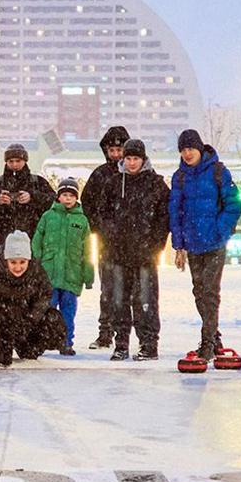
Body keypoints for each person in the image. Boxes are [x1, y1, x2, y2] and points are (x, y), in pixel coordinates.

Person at [169, 129, 241, 359]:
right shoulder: (179, 177)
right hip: (192, 244)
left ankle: (207, 342)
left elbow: (234, 204)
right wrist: (179, 244)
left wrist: (220, 230)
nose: (187, 153)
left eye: (190, 148)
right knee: (199, 292)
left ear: (200, 148)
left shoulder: (219, 172)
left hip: (214, 243)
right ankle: (215, 336)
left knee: (210, 292)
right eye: (183, 149)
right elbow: (175, 211)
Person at [98, 139, 170, 360]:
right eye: (128, 158)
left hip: (145, 254)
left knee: (146, 300)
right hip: (117, 253)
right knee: (119, 299)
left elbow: (163, 217)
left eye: (135, 158)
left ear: (143, 159)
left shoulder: (156, 184)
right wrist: (110, 237)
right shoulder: (113, 183)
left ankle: (149, 344)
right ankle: (121, 344)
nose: (131, 163)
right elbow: (103, 214)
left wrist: (155, 244)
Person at [0, 230, 66, 367]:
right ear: (6, 260)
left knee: (54, 319)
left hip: (25, 324)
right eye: (13, 262)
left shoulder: (37, 271)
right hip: (0, 326)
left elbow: (45, 294)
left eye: (22, 262)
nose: (18, 267)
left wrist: (32, 318)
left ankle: (28, 347)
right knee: (0, 359)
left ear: (29, 260)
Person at [31, 177, 94, 356]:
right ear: (58, 197)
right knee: (46, 310)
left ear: (76, 198)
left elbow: (88, 250)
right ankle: (42, 340)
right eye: (64, 195)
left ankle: (66, 342)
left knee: (68, 312)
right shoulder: (48, 217)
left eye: (71, 196)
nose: (67, 199)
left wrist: (88, 275)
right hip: (48, 275)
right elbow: (37, 241)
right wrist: (36, 265)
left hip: (71, 276)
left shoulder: (82, 220)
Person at [80, 125, 129, 348]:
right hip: (107, 243)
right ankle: (106, 332)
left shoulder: (134, 173)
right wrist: (99, 227)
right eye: (112, 150)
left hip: (133, 241)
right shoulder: (100, 174)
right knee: (108, 289)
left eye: (120, 150)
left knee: (131, 291)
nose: (116, 155)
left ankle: (126, 334)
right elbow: (87, 203)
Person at [0, 143, 54, 252]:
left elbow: (54, 204)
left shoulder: (38, 182)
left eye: (18, 161)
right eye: (11, 161)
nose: (14, 165)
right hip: (3, 242)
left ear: (25, 161)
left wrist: (32, 197)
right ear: (6, 162)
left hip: (32, 241)